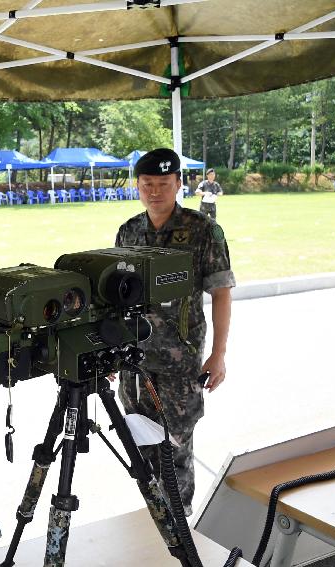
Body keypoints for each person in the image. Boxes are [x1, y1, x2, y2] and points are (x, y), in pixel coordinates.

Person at [114, 148, 234, 516]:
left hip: (179, 368)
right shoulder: (129, 231)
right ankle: (153, 523)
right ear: (137, 185)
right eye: (147, 184)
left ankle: (179, 535)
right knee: (141, 451)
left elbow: (221, 292)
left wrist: (218, 353)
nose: (154, 191)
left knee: (176, 453)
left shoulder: (203, 230)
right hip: (134, 365)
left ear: (179, 184)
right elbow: (114, 297)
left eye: (163, 184)